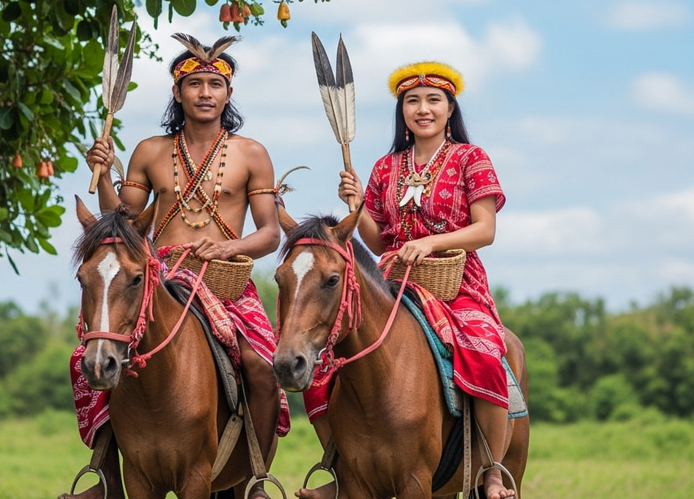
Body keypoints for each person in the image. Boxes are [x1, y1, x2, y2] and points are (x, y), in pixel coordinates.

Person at [61, 33, 289, 499]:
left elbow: (270, 233)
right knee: (100, 352)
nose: (205, 93)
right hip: (157, 279)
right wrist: (105, 174)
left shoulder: (251, 153)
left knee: (263, 368)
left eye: (215, 84)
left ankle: (258, 478)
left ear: (228, 93)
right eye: (195, 84)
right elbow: (121, 223)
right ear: (177, 92)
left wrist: (228, 249)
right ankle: (104, 473)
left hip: (225, 285)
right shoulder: (149, 151)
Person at [299, 61, 515, 499]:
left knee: (486, 350)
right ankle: (342, 471)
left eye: (433, 100)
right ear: (403, 112)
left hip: (454, 283)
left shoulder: (471, 159)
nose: (423, 109)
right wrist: (357, 205)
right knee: (323, 363)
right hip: (390, 281)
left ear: (450, 109)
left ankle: (491, 469)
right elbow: (377, 242)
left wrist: (432, 244)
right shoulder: (385, 167)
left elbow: (485, 229)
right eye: (412, 101)